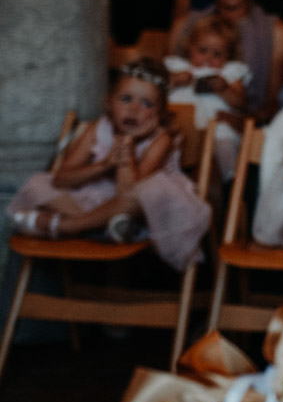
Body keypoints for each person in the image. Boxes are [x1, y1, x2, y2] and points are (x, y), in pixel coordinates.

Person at [8, 58, 212, 270]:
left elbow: (128, 192)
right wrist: (104, 165)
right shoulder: (98, 128)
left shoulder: (161, 140)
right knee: (39, 183)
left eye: (147, 103)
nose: (133, 109)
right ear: (109, 102)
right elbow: (61, 179)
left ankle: (71, 226)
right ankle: (101, 227)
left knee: (149, 190)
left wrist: (127, 141)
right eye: (126, 99)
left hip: (137, 205)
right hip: (97, 203)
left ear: (160, 114)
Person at [165, 14, 251, 181]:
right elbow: (157, 91)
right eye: (202, 50)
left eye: (217, 54)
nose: (208, 58)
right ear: (190, 47)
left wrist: (224, 88)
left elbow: (240, 103)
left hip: (215, 125)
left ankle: (230, 178)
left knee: (224, 139)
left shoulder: (229, 73)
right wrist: (175, 80)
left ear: (228, 56)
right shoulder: (178, 68)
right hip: (181, 126)